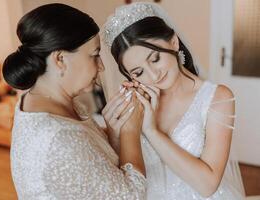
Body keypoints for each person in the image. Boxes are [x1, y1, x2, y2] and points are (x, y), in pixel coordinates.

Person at [102, 2, 245, 199]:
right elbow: (128, 172)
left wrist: (151, 131)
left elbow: (208, 185)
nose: (153, 75)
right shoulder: (135, 104)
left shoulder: (217, 98)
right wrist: (115, 134)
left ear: (174, 42)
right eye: (139, 72)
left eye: (155, 59)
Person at [3, 3, 147, 199]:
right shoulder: (57, 137)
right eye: (95, 55)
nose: (102, 67)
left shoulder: (46, 100)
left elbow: (91, 166)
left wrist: (112, 134)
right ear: (60, 59)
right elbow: (131, 196)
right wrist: (130, 131)